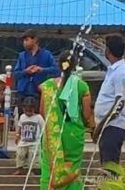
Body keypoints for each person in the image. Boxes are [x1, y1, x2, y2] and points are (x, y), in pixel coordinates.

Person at [39, 50, 96, 189]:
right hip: (73, 136)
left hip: (52, 136)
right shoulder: (81, 86)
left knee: (49, 170)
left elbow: (42, 112)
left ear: (59, 65)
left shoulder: (47, 86)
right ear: (75, 65)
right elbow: (86, 115)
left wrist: (55, 123)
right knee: (72, 172)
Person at [94, 35, 125, 166]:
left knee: (110, 165)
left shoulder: (121, 72)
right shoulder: (113, 70)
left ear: (108, 50)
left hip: (113, 125)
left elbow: (119, 104)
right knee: (106, 163)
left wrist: (100, 127)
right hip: (108, 125)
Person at [13, 29, 58, 108]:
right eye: (23, 41)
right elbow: (16, 73)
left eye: (27, 40)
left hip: (40, 91)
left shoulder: (46, 54)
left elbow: (56, 69)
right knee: (22, 117)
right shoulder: (22, 56)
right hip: (23, 91)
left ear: (35, 40)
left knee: (40, 117)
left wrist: (41, 69)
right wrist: (26, 71)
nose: (24, 43)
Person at [14, 96, 44, 176]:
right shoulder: (22, 117)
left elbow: (43, 128)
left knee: (33, 157)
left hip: (34, 143)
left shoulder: (38, 118)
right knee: (20, 154)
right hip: (23, 141)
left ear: (35, 109)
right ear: (23, 109)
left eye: (30, 110)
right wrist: (17, 135)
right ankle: (19, 168)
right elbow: (20, 127)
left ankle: (33, 170)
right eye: (26, 110)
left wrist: (43, 139)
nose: (28, 113)